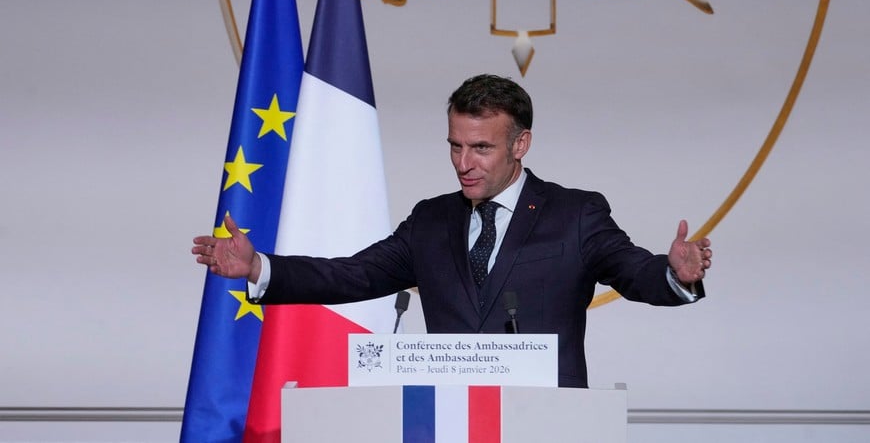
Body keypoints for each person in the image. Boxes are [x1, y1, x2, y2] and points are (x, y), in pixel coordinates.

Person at [193, 74, 712, 388]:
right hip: (448, 420)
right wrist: (259, 267)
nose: (464, 163)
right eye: (455, 146)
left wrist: (674, 275)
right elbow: (354, 275)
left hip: (547, 420)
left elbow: (632, 272)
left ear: (520, 144)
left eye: (481, 148)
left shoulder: (574, 214)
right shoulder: (431, 220)